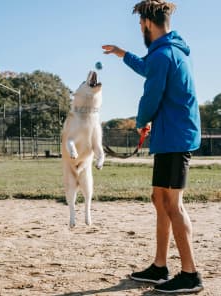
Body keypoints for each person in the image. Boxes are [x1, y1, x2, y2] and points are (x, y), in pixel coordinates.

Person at [102, 0, 203, 293]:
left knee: (173, 204)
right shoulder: (168, 51)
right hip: (170, 135)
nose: (140, 30)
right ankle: (160, 266)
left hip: (175, 138)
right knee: (159, 200)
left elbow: (151, 95)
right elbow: (149, 68)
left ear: (147, 22)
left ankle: (191, 275)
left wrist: (141, 120)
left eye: (140, 25)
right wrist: (123, 55)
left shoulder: (164, 55)